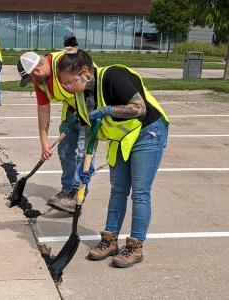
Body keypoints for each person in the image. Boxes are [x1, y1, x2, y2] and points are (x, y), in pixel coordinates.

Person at [57, 46, 169, 268]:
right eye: (63, 84)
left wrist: (108, 110)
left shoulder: (112, 76)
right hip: (122, 138)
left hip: (149, 132)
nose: (67, 88)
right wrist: (85, 166)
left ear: (86, 72)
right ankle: (110, 240)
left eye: (70, 82)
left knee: (140, 192)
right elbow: (91, 131)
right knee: (118, 189)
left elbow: (139, 108)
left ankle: (135, 245)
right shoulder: (80, 96)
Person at [16, 43, 86, 214]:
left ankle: (76, 194)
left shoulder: (64, 63)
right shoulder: (40, 83)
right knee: (65, 151)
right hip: (71, 112)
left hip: (89, 111)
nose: (32, 82)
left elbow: (88, 84)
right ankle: (67, 189)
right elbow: (43, 110)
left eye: (30, 78)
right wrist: (43, 142)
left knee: (84, 154)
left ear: (36, 71)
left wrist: (85, 111)